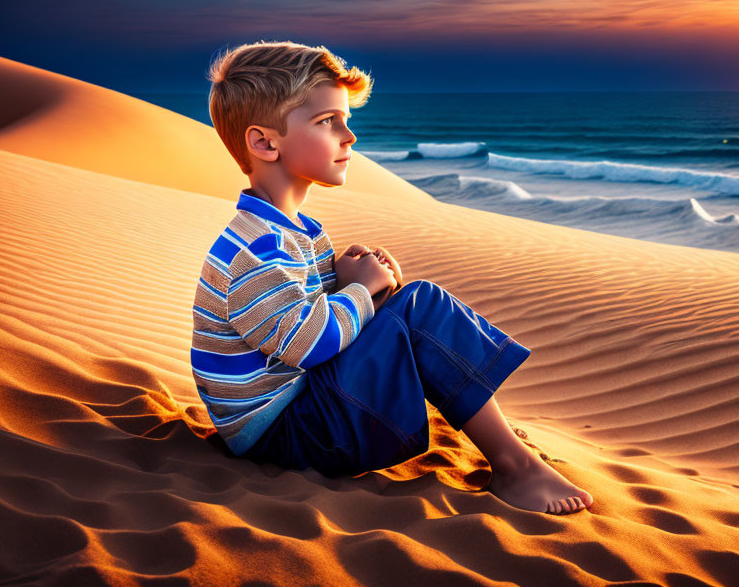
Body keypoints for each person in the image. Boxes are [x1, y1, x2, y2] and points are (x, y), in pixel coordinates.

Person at [190, 40, 594, 515]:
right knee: (418, 308)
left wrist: (346, 284)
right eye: (327, 122)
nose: (349, 137)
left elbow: (297, 320)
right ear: (264, 143)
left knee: (406, 310)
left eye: (347, 120)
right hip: (286, 436)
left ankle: (489, 425)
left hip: (297, 409)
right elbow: (307, 344)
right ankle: (514, 466)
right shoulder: (257, 248)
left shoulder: (288, 231)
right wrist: (362, 290)